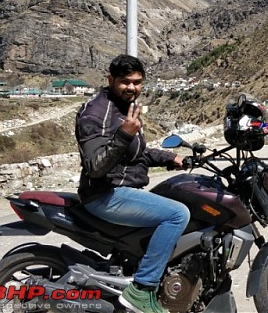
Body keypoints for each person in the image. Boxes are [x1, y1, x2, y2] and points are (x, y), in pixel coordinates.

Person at [75, 54, 189, 313]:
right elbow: (95, 167)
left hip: (121, 189)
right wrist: (125, 134)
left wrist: (174, 158)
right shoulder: (96, 113)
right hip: (104, 194)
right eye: (125, 82)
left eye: (137, 82)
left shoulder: (124, 109)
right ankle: (143, 289)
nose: (132, 88)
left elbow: (136, 154)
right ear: (110, 79)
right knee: (177, 214)